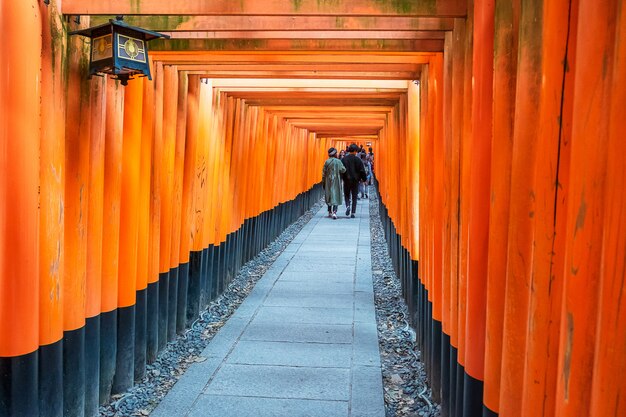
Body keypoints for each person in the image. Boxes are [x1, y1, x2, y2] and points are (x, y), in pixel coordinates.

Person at [341, 144, 367, 218]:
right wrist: (364, 179)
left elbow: (341, 169)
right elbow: (362, 171)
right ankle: (353, 212)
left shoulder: (344, 159)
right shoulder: (358, 160)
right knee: (354, 196)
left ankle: (347, 206)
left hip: (346, 180)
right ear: (355, 151)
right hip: (355, 181)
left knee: (346, 195)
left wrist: (342, 178)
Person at [322, 147, 346, 219]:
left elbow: (323, 173)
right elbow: (343, 170)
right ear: (335, 154)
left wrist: (323, 182)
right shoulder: (338, 161)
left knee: (329, 195)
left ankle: (329, 211)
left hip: (328, 181)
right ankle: (335, 212)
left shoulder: (326, 162)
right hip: (336, 180)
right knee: (336, 195)